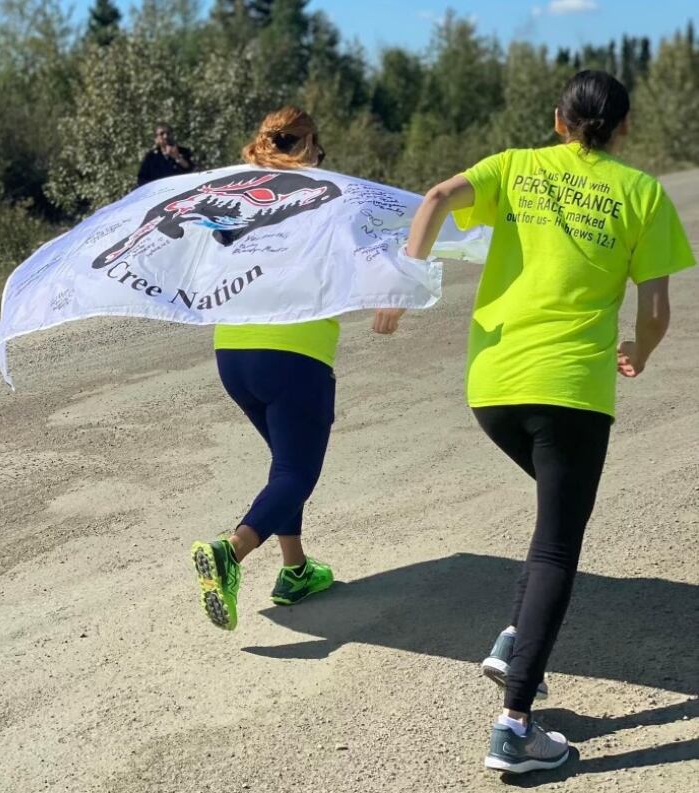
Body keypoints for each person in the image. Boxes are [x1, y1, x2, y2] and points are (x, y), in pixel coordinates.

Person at [406, 70, 695, 773]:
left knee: (548, 527)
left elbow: (437, 197)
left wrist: (404, 278)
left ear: (558, 120)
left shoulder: (514, 167)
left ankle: (514, 640)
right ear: (623, 129)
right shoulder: (643, 193)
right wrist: (641, 351)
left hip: (494, 387)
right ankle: (513, 727)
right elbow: (655, 312)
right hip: (570, 393)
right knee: (558, 546)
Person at [190, 106, 404, 631]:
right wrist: (392, 289)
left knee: (284, 464)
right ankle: (230, 551)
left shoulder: (236, 199)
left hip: (233, 354)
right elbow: (373, 238)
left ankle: (296, 569)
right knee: (297, 472)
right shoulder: (323, 197)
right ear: (308, 147)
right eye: (320, 151)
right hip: (295, 354)